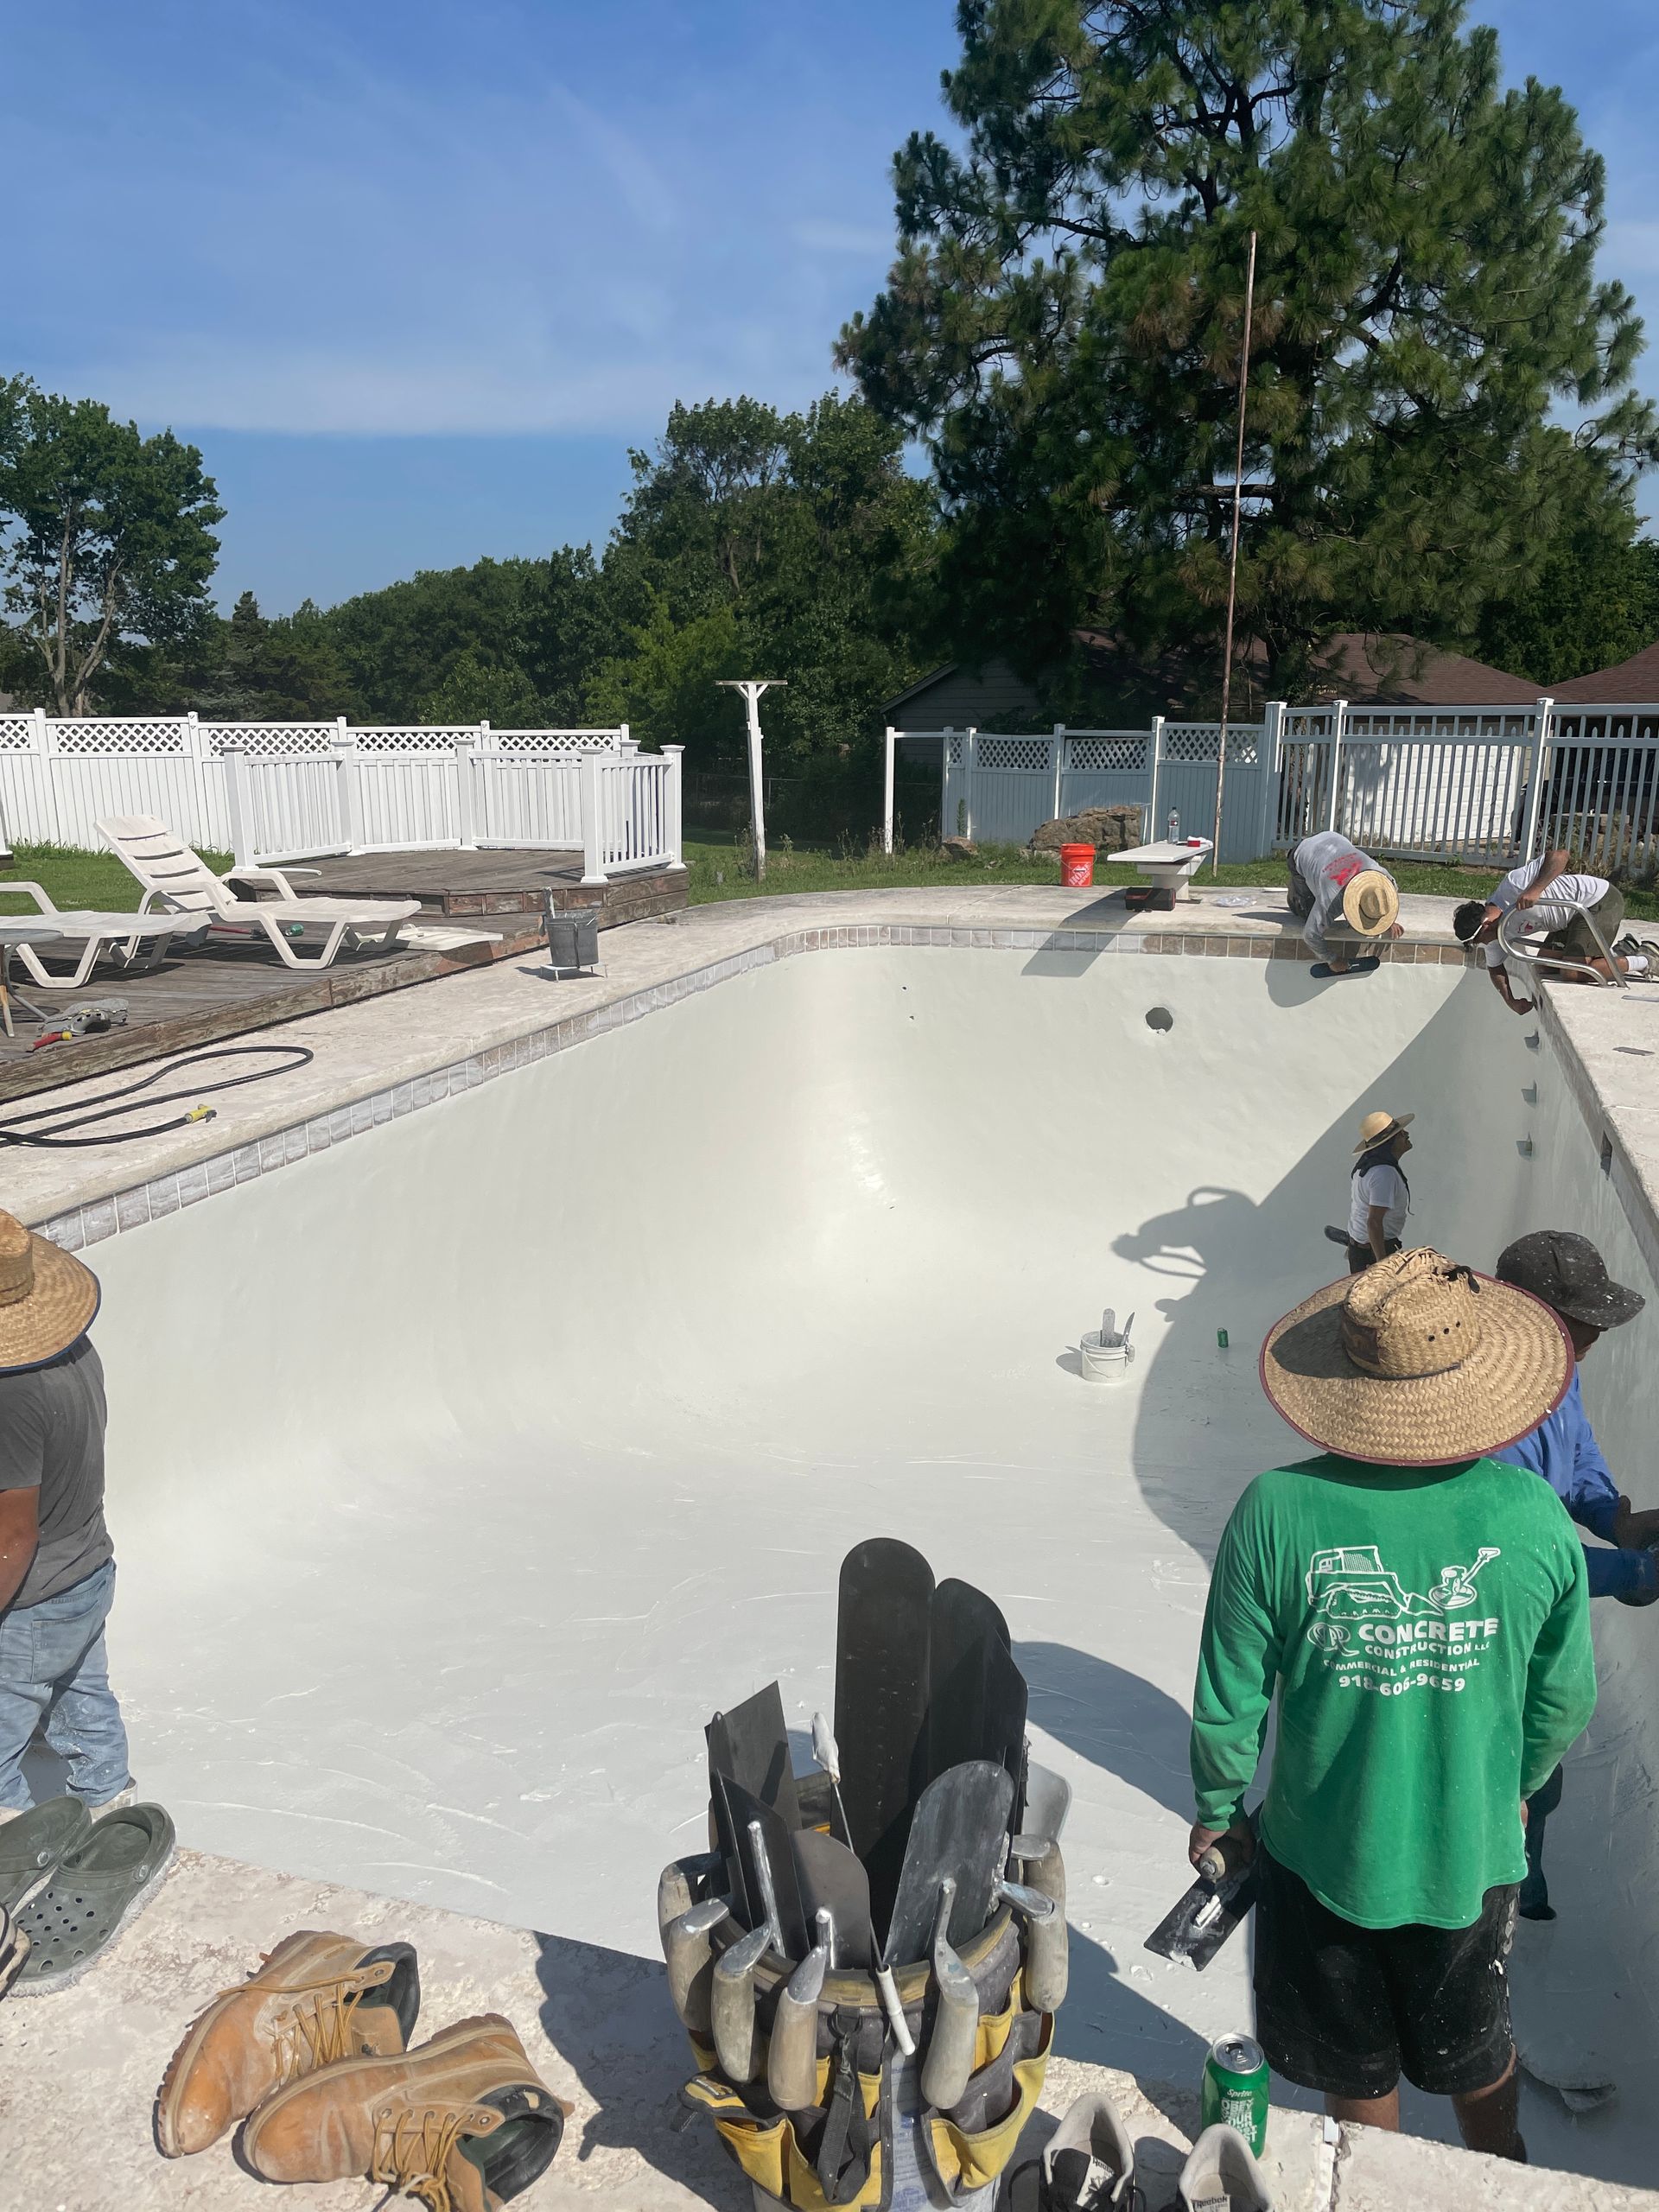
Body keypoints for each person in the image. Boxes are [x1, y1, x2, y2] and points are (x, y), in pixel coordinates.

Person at [1189, 1249, 1595, 2162]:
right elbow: (1566, 1698)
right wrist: (1514, 1786)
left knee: (1356, 2065)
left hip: (1322, 1854)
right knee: (1475, 2043)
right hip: (1475, 1854)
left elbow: (1229, 1696)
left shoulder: (1276, 1509)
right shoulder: (1535, 1517)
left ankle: (1375, 2186)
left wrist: (1219, 1813)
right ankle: (1501, 2173)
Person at [1490, 1230, 1656, 1916]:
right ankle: (1491, 1886)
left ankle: (1524, 1868)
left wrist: (1613, 1519)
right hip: (1497, 1609)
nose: (1592, 1335)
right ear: (1528, 1319)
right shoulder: (1483, 1410)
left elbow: (1579, 1454)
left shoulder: (1559, 1368)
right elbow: (1514, 1560)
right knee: (1499, 1752)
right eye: (1578, 1322)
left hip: (1546, 1605)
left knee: (1540, 1758)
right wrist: (1628, 1572)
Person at [0, 1211, 132, 1820]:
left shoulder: (9, 1394)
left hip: (29, 1601)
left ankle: (18, 1867)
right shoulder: (74, 1348)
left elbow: (13, 1535)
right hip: (86, 1569)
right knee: (83, 1700)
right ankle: (112, 1810)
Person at [1452, 850, 1646, 1014]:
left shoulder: (1514, 885)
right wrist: (1510, 1001)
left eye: (1479, 940)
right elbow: (1495, 968)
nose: (1484, 944)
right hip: (1568, 920)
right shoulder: (1495, 934)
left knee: (1572, 972)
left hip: (1596, 902)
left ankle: (1645, 960)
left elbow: (1560, 855)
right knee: (1544, 967)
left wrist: (1535, 890)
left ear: (1485, 924)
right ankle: (1618, 952)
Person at [1285, 831, 1405, 973]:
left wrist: (1386, 920)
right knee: (1304, 912)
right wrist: (1332, 960)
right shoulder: (1330, 901)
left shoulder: (1384, 879)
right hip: (1301, 852)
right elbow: (1310, 935)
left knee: (1318, 889)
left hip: (1332, 838)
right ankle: (1295, 891)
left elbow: (1380, 899)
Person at [1345, 1109, 1413, 1273]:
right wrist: (1382, 1266)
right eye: (1400, 1133)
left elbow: (1361, 1211)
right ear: (1389, 1143)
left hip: (1362, 1249)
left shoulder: (1367, 1167)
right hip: (1375, 1252)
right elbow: (1374, 1222)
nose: (1406, 1134)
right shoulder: (1384, 1174)